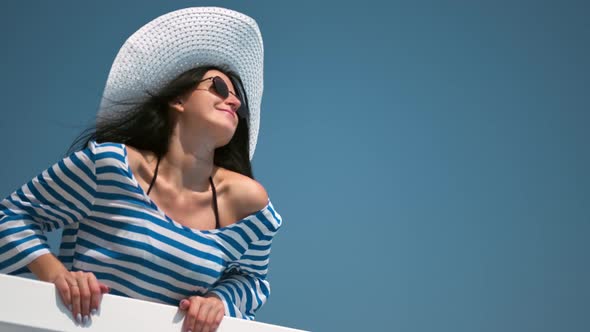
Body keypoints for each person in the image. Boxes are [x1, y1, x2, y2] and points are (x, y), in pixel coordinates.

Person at [0, 7, 281, 332]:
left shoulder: (247, 204)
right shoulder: (109, 167)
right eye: (219, 87)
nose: (233, 102)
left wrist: (219, 302)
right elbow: (10, 217)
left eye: (239, 101)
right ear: (177, 100)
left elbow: (251, 279)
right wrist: (57, 276)